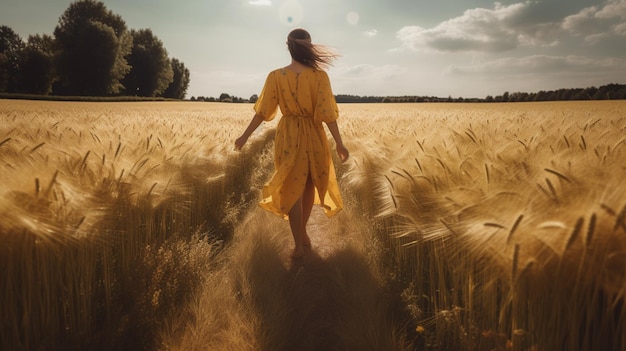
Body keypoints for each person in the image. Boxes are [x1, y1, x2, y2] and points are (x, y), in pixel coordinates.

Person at [235, 28, 349, 260]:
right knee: (304, 185)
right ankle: (300, 240)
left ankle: (299, 238)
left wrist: (245, 135)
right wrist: (339, 143)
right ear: (309, 47)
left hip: (288, 134)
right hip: (313, 133)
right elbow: (328, 114)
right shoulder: (319, 76)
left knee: (298, 185)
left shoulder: (276, 76)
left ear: (289, 47)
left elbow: (263, 112)